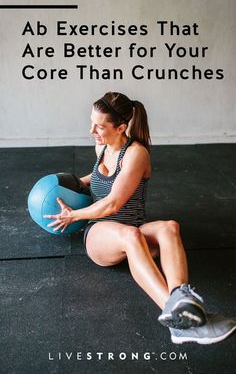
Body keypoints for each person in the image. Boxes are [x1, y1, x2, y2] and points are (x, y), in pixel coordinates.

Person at [44, 91, 236, 344]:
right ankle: (177, 317)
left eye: (100, 126)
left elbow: (113, 203)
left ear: (121, 127)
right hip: (100, 235)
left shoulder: (136, 154)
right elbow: (102, 179)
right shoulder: (101, 146)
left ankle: (181, 300)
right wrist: (72, 187)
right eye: (91, 122)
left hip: (130, 228)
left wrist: (73, 215)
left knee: (169, 227)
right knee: (131, 235)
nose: (92, 130)